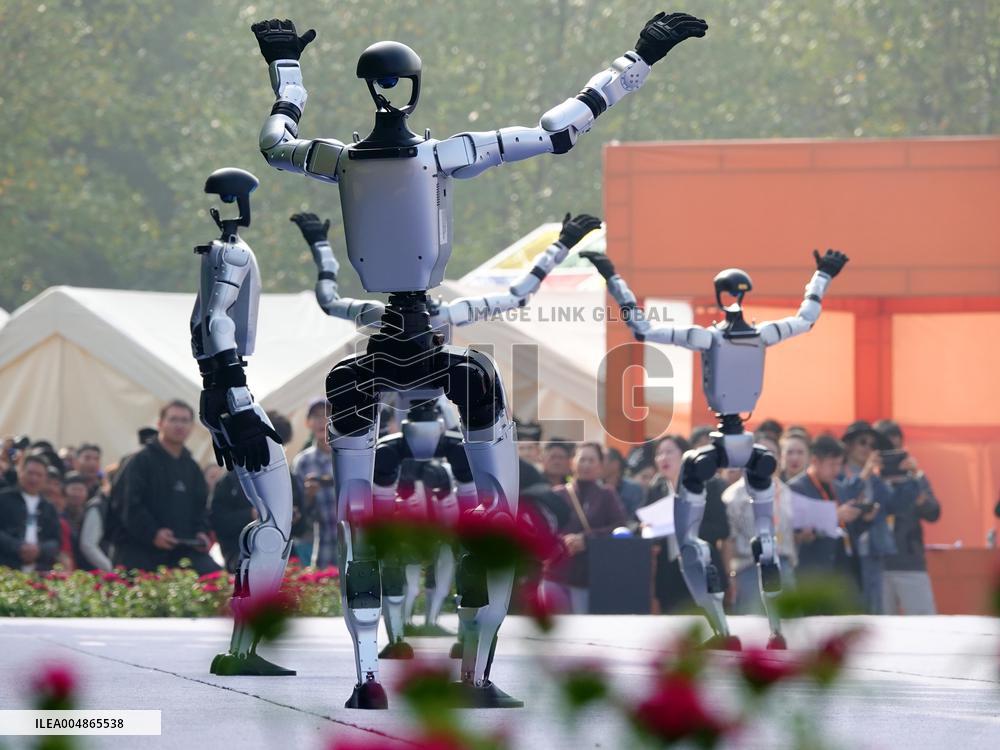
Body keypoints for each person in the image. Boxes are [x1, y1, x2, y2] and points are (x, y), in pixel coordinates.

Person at [113, 400, 219, 575]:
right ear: (160, 424)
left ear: (192, 427)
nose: (179, 425)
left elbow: (201, 508)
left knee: (219, 581)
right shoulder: (140, 461)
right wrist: (153, 533)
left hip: (183, 551)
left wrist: (201, 531)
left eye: (185, 421)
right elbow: (126, 504)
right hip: (141, 551)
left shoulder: (192, 468)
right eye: (173, 419)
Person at [212, 413, 308, 572]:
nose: (272, 450)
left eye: (279, 445)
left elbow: (302, 528)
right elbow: (217, 521)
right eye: (266, 442)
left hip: (282, 555)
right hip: (241, 554)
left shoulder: (289, 479)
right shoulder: (233, 478)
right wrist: (251, 515)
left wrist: (294, 519)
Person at [541, 443, 627, 613]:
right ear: (573, 462)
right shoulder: (557, 494)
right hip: (555, 573)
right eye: (582, 459)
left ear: (601, 466)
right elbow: (544, 528)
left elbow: (620, 527)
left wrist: (586, 540)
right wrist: (563, 540)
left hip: (588, 576)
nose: (586, 465)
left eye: (591, 460)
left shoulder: (606, 495)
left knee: (583, 631)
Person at [787, 434, 868, 605]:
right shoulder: (797, 488)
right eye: (831, 464)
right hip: (814, 570)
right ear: (815, 461)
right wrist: (835, 515)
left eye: (839, 464)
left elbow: (849, 529)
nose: (836, 470)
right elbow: (795, 527)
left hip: (843, 567)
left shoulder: (839, 488)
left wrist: (863, 517)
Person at [724, 434, 797, 614]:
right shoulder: (733, 495)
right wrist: (730, 577)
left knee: (788, 627)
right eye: (758, 452)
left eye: (770, 452)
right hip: (749, 569)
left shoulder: (787, 492)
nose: (764, 457)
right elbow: (728, 540)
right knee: (753, 629)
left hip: (784, 566)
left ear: (779, 458)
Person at [874, 419, 941, 615]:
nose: (891, 459)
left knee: (925, 627)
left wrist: (915, 482)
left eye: (896, 451)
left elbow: (934, 512)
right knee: (880, 633)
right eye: (886, 451)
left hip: (910, 562)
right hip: (877, 565)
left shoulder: (916, 477)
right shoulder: (869, 477)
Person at [838, 420, 897, 614]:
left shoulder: (876, 477)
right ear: (849, 445)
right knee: (852, 608)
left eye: (872, 445)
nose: (868, 448)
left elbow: (895, 505)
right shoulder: (838, 472)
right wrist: (864, 473)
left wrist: (905, 476)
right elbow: (844, 496)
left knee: (875, 609)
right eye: (863, 442)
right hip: (848, 553)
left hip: (873, 549)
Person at [291, 398, 335, 567]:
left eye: (327, 415)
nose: (322, 421)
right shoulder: (302, 462)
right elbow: (297, 512)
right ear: (307, 423)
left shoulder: (349, 454)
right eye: (316, 416)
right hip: (319, 544)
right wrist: (308, 497)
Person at [0, 454, 62, 572]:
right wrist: (18, 547)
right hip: (6, 568)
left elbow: (55, 541)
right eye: (30, 473)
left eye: (39, 475)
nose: (34, 479)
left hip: (39, 572)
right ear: (20, 472)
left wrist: (39, 550)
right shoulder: (3, 499)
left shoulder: (49, 507)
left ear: (45, 478)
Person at [605, 448, 644, 521]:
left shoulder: (634, 490)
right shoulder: (595, 489)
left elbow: (634, 520)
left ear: (615, 464)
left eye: (602, 460)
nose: (598, 464)